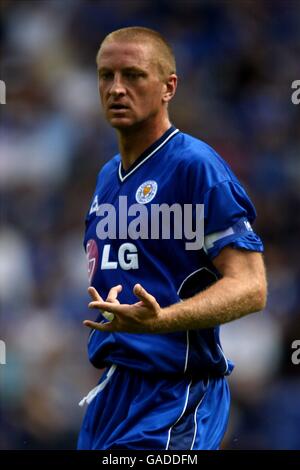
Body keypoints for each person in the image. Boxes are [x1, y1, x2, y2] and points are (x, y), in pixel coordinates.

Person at [77, 26, 267, 450]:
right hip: (112, 395)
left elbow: (251, 287)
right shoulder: (109, 176)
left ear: (168, 87)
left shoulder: (195, 166)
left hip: (176, 396)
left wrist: (163, 320)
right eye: (106, 76)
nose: (117, 89)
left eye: (133, 75)